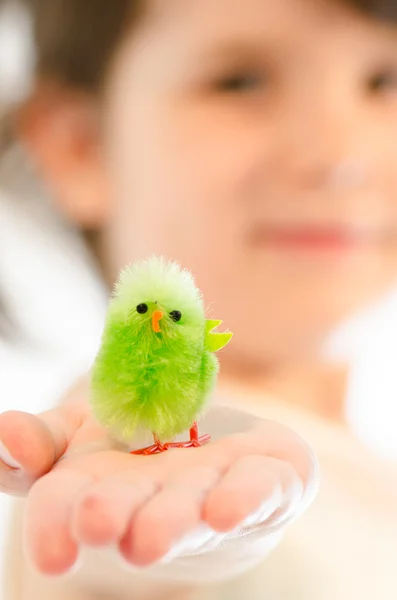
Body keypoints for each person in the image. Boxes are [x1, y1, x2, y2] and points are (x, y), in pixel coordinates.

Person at [2, 0, 397, 597]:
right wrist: (186, 547)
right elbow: (135, 550)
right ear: (81, 145)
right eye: (241, 82)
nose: (341, 157)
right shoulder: (135, 453)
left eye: (385, 81)